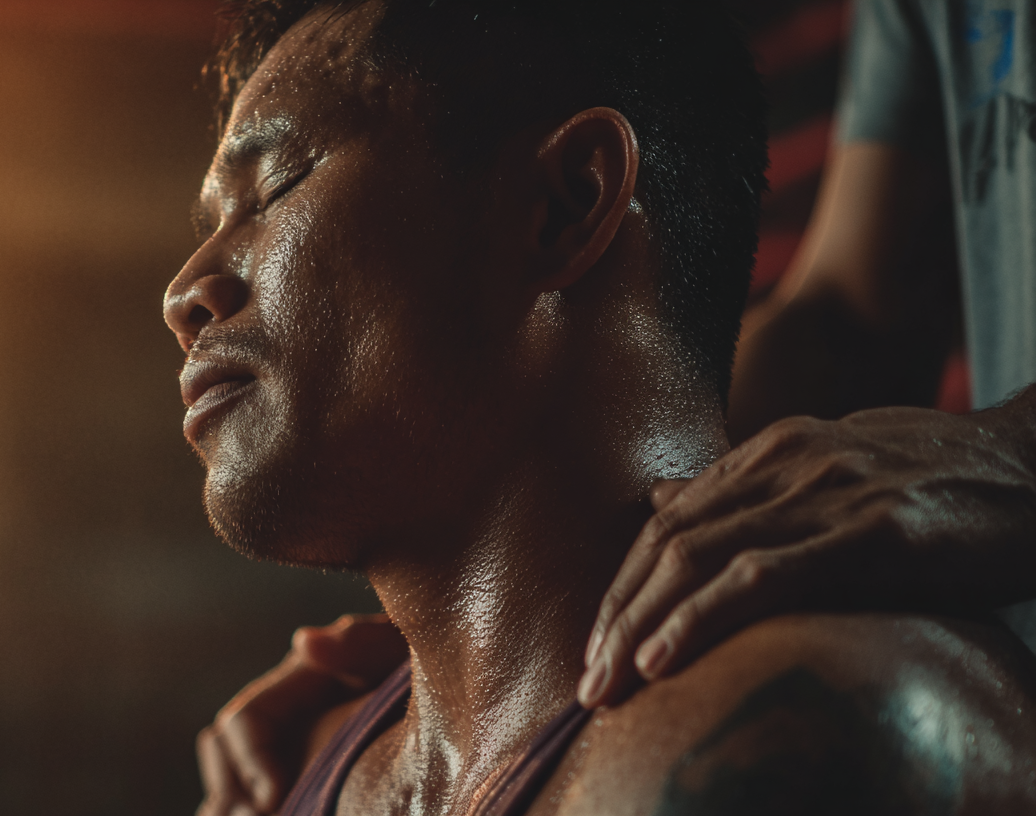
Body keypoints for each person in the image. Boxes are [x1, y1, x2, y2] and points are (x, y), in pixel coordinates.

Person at [167, 1, 1036, 814]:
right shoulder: (313, 768)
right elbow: (853, 318)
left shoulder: (824, 719)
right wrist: (491, 645)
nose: (183, 296)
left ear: (566, 204)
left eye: (276, 186)